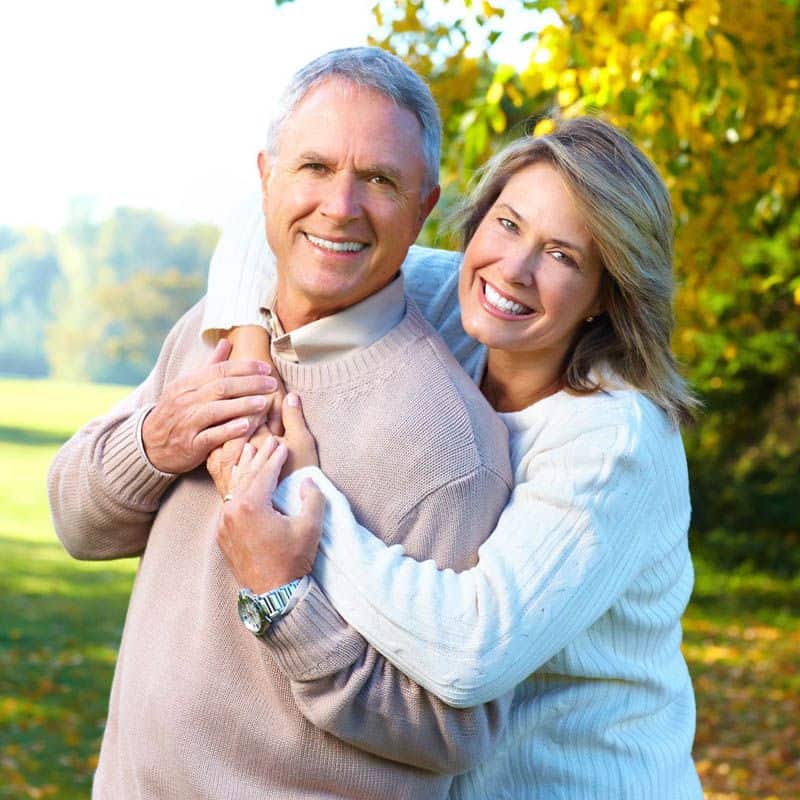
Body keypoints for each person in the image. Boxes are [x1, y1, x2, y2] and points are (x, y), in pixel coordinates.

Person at [47, 47, 515, 800]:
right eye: (315, 168)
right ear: (266, 177)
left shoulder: (449, 444)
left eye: (380, 180)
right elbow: (76, 523)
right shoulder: (211, 331)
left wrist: (284, 603)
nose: (340, 206)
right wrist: (155, 443)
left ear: (425, 207)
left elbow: (455, 732)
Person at [204, 116, 704, 799]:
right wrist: (253, 364)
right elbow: (258, 221)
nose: (515, 269)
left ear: (607, 294)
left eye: (562, 256)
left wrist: (301, 497)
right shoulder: (452, 303)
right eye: (507, 224)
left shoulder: (614, 439)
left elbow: (470, 651)